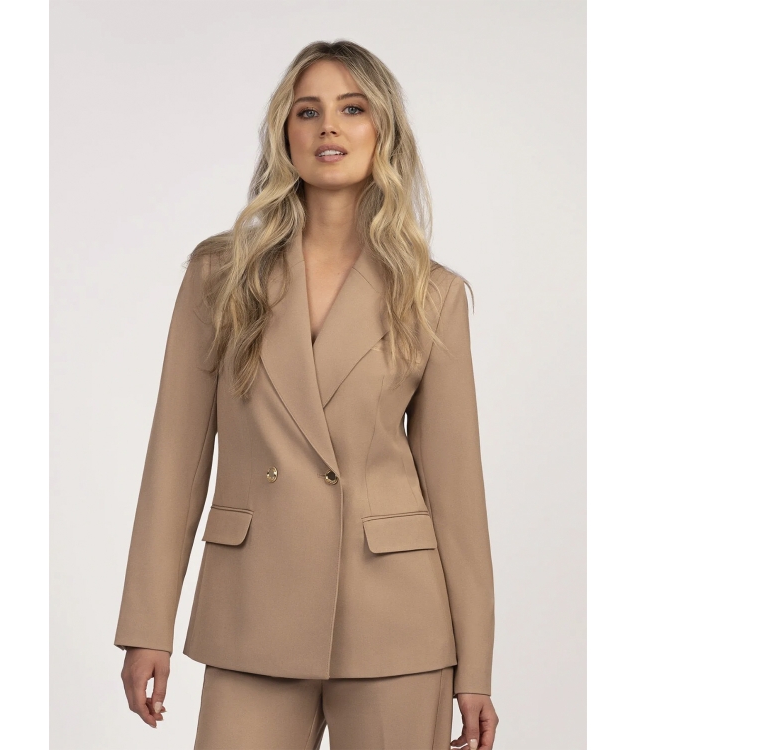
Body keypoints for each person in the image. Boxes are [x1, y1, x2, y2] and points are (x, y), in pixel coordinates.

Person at [114, 39, 498, 750]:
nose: (329, 127)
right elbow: (175, 458)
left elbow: (456, 492)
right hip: (253, 607)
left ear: (383, 130)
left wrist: (474, 669)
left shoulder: (430, 293)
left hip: (396, 620)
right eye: (307, 111)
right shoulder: (219, 275)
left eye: (352, 109)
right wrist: (146, 627)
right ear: (283, 133)